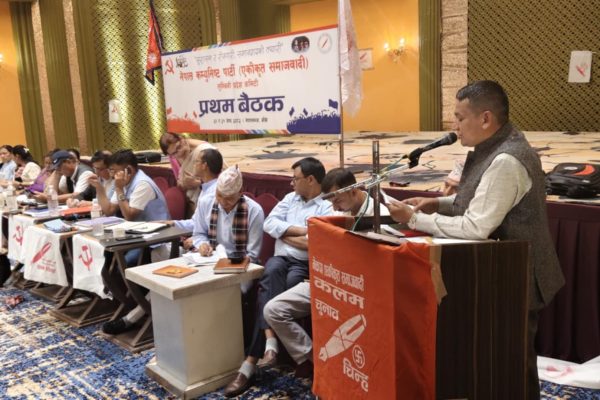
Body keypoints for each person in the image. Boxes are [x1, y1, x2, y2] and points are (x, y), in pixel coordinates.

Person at [387, 80, 565, 399]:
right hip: (500, 273)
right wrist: (436, 204)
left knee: (511, 365)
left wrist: (413, 219)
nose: (454, 127)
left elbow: (474, 227)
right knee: (497, 361)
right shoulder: (499, 144)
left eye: (459, 117)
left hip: (517, 276)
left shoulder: (507, 160)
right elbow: (482, 200)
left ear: (485, 119)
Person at [262, 167, 388, 380]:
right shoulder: (338, 211)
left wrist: (282, 235)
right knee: (273, 309)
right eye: (331, 201)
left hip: (358, 290)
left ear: (353, 191)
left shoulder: (379, 216)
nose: (334, 207)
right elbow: (314, 242)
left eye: (337, 200)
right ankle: (317, 361)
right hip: (327, 280)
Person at [223, 157, 332, 398]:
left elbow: (316, 241)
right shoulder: (290, 198)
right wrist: (304, 230)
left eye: (295, 179)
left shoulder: (327, 205)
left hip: (304, 264)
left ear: (310, 180)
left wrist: (285, 233)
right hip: (280, 260)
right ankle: (270, 343)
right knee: (270, 272)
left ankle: (250, 363)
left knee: (283, 288)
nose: (291, 183)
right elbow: (270, 224)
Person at [98, 150, 171, 335]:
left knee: (126, 266)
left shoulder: (142, 184)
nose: (112, 175)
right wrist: (100, 188)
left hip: (156, 241)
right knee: (107, 261)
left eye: (115, 171)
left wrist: (119, 189)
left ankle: (136, 311)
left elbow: (130, 215)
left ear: (128, 170)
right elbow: (109, 210)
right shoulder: (124, 182)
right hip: (136, 238)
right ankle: (132, 306)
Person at [172, 148, 224, 246]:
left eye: (196, 161)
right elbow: (196, 222)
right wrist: (172, 224)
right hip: (202, 240)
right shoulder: (206, 188)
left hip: (212, 246)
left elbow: (210, 227)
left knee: (160, 250)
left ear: (204, 165)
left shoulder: (214, 193)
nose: (194, 165)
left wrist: (196, 241)